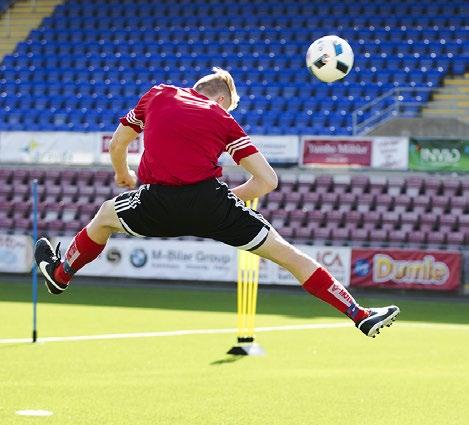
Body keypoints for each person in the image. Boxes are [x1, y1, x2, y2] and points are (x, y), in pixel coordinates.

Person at [35, 67, 399, 338]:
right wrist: (228, 198)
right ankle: (358, 313)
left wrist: (124, 175)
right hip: (212, 205)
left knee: (103, 217)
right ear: (222, 100)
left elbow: (118, 145)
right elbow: (267, 181)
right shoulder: (222, 118)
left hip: (157, 201)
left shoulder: (157, 95)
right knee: (291, 256)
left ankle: (61, 274)